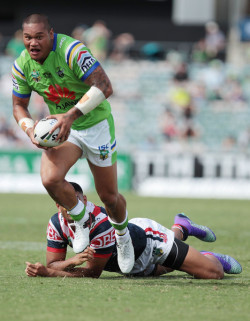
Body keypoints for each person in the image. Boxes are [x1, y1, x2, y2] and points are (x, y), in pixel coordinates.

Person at [12, 13, 134, 273]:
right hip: (65, 131)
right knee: (50, 179)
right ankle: (80, 219)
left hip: (95, 125)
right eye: (27, 37)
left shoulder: (72, 51)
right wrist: (31, 129)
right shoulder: (21, 65)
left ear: (51, 34)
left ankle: (122, 235)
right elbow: (18, 106)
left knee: (109, 198)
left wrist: (70, 115)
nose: (32, 43)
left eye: (39, 36)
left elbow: (104, 86)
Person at [25, 182, 242, 279]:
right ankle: (181, 227)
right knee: (164, 269)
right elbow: (53, 263)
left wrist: (52, 272)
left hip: (149, 241)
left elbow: (92, 273)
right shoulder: (56, 224)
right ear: (57, 204)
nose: (72, 206)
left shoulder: (101, 223)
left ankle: (209, 257)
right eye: (66, 201)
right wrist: (69, 262)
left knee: (213, 274)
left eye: (77, 200)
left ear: (85, 200)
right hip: (127, 266)